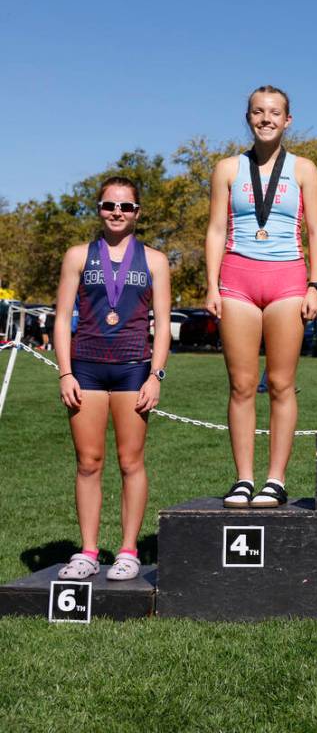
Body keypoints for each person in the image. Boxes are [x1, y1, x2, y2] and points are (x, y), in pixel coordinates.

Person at [205, 85, 317, 508]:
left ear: (287, 120)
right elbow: (216, 230)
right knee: (240, 385)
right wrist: (211, 285)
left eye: (274, 112)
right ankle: (243, 478)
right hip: (237, 279)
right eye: (258, 112)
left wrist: (315, 283)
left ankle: (275, 479)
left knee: (280, 383)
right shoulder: (226, 169)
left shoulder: (304, 169)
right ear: (248, 117)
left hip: (288, 281)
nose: (266, 118)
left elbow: (316, 232)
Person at [52, 177, 171, 580]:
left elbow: (163, 324)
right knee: (88, 462)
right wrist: (65, 372)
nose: (117, 213)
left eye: (125, 207)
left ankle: (127, 550)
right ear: (99, 210)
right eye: (109, 206)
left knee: (130, 461)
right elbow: (62, 319)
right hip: (85, 366)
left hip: (133, 368)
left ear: (138, 212)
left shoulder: (155, 260)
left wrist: (155, 376)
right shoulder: (77, 256)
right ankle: (87, 551)